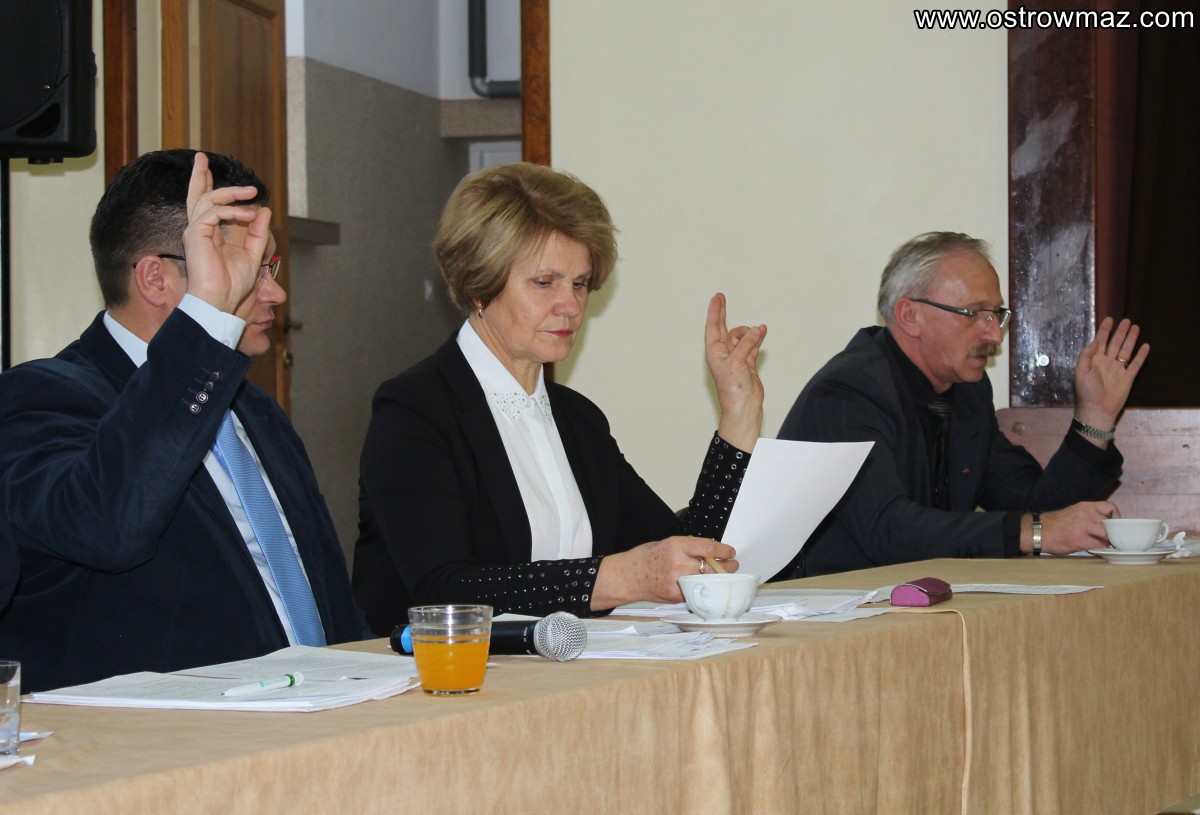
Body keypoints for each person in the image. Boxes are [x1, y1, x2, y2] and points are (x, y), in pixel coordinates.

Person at [0, 150, 366, 692]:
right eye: (250, 270)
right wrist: (207, 321)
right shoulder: (40, 396)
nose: (275, 293)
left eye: (269, 266)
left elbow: (327, 595)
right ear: (156, 279)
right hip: (168, 734)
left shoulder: (255, 409)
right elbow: (110, 528)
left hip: (327, 714)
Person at [353, 162, 766, 634]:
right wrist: (618, 578)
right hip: (441, 673)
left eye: (580, 283)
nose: (570, 306)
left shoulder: (577, 418)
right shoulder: (413, 410)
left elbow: (683, 555)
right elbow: (443, 590)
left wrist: (738, 414)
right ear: (479, 285)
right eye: (544, 282)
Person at [778, 231, 1148, 576]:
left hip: (920, 598)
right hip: (830, 606)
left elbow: (1037, 509)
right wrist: (1035, 531)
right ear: (910, 316)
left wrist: (1095, 420)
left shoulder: (967, 393)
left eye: (997, 315)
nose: (994, 335)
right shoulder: (849, 391)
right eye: (975, 314)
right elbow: (888, 529)